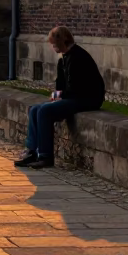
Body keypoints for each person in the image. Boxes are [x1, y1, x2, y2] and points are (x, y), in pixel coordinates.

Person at [15, 26, 105, 169]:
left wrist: (60, 95)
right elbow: (61, 85)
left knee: (45, 111)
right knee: (34, 109)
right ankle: (32, 151)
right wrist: (57, 94)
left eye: (54, 44)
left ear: (64, 41)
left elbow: (76, 88)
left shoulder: (78, 57)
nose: (53, 47)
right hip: (73, 97)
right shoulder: (64, 59)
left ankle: (45, 156)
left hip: (87, 99)